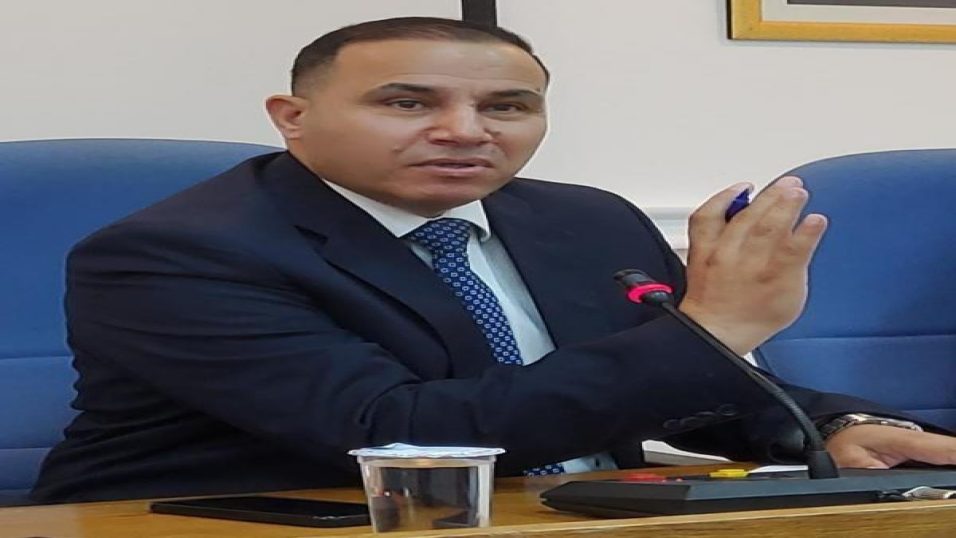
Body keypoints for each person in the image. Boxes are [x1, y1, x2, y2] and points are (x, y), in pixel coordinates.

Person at [33, 17, 956, 503]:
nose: (465, 131)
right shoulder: (172, 254)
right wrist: (711, 328)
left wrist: (828, 429)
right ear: (292, 117)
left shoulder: (583, 220)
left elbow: (679, 387)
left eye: (508, 108)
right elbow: (403, 436)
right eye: (407, 103)